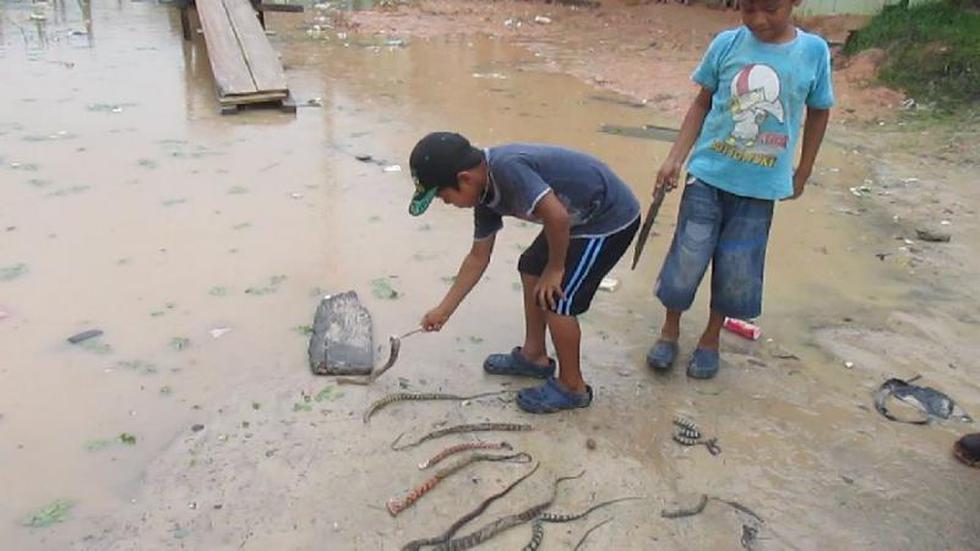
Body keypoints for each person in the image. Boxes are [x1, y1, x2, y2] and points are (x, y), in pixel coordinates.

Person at [646, 0, 833, 378]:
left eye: (770, 9)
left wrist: (804, 170)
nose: (758, 20)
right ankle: (669, 331)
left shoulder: (813, 52)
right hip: (707, 176)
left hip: (759, 188)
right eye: (748, 9)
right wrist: (674, 158)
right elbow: (701, 104)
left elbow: (819, 111)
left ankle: (710, 339)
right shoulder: (726, 44)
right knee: (687, 257)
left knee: (737, 266)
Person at [408, 132, 640, 413]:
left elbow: (557, 217)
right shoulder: (483, 193)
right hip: (573, 217)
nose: (448, 204)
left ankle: (572, 386)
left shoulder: (507, 169)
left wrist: (555, 269)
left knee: (557, 299)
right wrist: (444, 310)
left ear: (465, 179)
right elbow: (478, 257)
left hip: (606, 217)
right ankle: (534, 355)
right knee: (531, 267)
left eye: (445, 197)